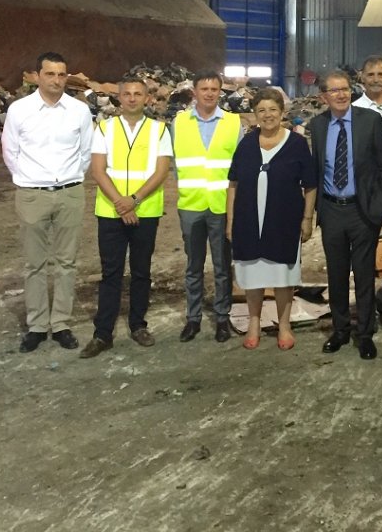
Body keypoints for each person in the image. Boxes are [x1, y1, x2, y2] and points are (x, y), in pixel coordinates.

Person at [3, 52, 93, 352]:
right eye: (50, 74)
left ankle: (61, 323)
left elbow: (85, 152)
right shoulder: (19, 110)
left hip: (69, 193)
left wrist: (70, 178)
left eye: (61, 74)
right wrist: (29, 179)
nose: (56, 80)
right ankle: (38, 325)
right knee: (35, 264)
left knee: (67, 262)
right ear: (37, 76)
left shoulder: (79, 111)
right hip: (32, 194)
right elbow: (10, 152)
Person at [80, 78, 172, 359]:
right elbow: (98, 170)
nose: (132, 99)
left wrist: (133, 201)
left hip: (145, 211)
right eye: (127, 94)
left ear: (147, 98)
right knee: (111, 273)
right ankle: (103, 333)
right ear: (118, 98)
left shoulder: (159, 130)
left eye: (138, 94)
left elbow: (161, 171)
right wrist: (122, 203)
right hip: (110, 212)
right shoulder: (105, 128)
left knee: (141, 271)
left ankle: (138, 325)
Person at [308, 70, 382, 360]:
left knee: (365, 274)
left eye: (345, 89)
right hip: (332, 210)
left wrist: (378, 208)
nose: (342, 94)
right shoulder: (317, 126)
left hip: (362, 211)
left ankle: (365, 333)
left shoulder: (369, 121)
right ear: (323, 97)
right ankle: (341, 329)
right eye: (334, 91)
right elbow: (317, 168)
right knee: (337, 273)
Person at [227, 88, 317, 351]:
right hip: (248, 220)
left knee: (282, 276)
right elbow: (233, 183)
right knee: (253, 274)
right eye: (261, 110)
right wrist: (230, 220)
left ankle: (284, 325)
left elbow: (310, 185)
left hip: (283, 221)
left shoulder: (297, 144)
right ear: (255, 114)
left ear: (282, 112)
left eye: (272, 110)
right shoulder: (246, 144)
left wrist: (307, 218)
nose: (267, 115)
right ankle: (254, 323)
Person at [171, 71, 243, 344]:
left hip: (221, 206)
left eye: (215, 89)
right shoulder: (179, 123)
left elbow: (237, 169)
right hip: (191, 205)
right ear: (195, 92)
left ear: (220, 92)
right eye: (205, 89)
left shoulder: (232, 123)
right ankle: (193, 318)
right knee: (193, 266)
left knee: (223, 265)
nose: (210, 93)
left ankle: (223, 318)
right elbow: (177, 165)